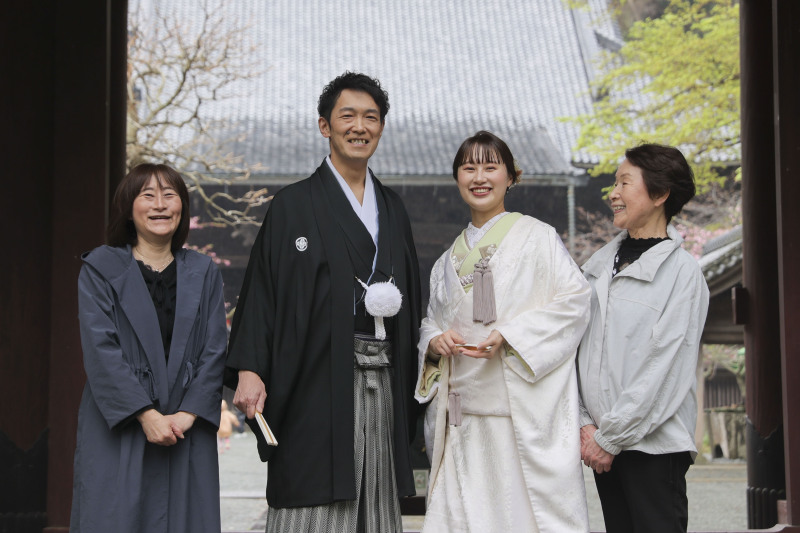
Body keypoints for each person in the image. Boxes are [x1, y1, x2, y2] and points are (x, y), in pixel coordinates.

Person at [225, 71, 422, 533]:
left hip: (383, 376)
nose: (360, 127)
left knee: (374, 495)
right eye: (347, 116)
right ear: (324, 126)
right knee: (311, 491)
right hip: (312, 377)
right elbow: (263, 291)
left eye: (371, 118)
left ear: (381, 128)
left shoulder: (392, 207)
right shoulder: (292, 205)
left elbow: (412, 298)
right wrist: (250, 368)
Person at [415, 131, 592, 533]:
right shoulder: (446, 259)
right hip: (461, 416)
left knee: (517, 516)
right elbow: (430, 320)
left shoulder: (538, 238)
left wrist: (512, 335)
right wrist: (433, 342)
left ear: (512, 176)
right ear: (456, 177)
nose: (480, 177)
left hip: (518, 415)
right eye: (469, 167)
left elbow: (575, 300)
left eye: (491, 167)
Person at [70, 163, 228, 533]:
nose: (160, 205)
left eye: (170, 195)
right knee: (115, 517)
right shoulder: (100, 269)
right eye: (148, 195)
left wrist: (188, 413)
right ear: (129, 208)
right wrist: (145, 414)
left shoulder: (203, 272)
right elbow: (100, 348)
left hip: (185, 426)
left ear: (182, 208)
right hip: (122, 422)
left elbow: (214, 347)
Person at [577, 143, 710, 532]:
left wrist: (610, 436)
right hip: (603, 443)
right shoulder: (596, 267)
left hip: (652, 448)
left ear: (660, 194)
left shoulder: (683, 275)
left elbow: (665, 369)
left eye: (624, 182)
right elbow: (578, 352)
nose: (613, 194)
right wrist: (586, 425)